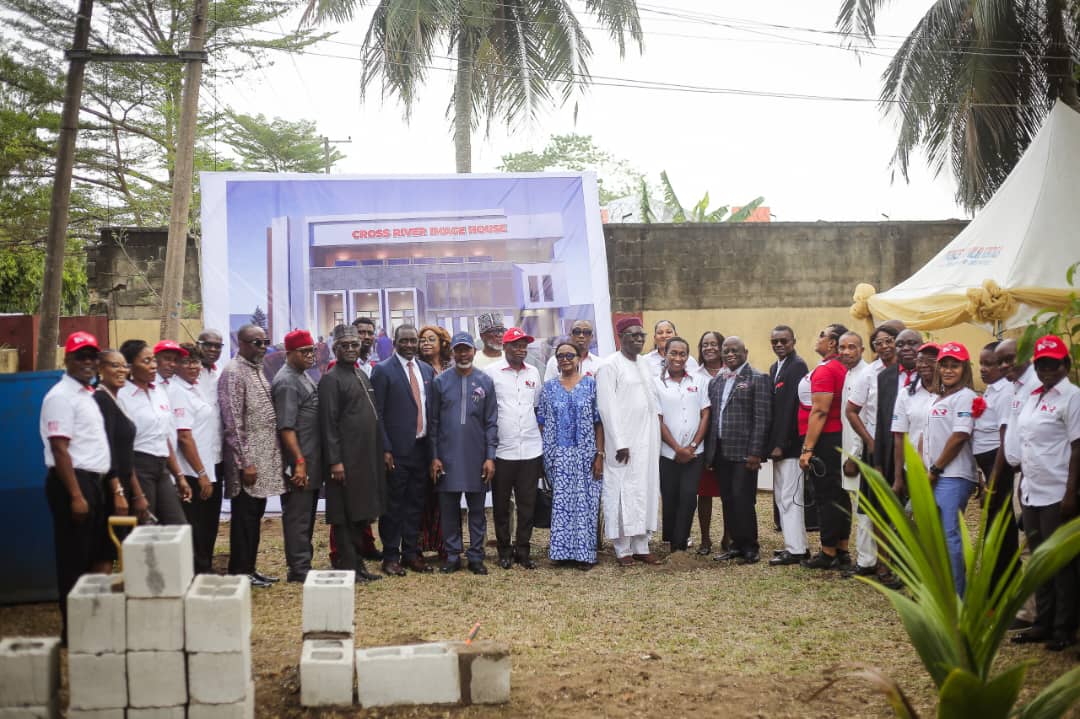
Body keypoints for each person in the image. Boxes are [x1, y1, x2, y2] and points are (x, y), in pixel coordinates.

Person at [40, 332, 113, 640]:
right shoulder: (60, 396)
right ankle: (74, 630)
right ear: (66, 359)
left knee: (97, 553)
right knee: (74, 559)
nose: (87, 362)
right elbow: (60, 449)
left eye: (91, 356)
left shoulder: (87, 393)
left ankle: (93, 621)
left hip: (93, 482)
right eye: (80, 356)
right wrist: (76, 495)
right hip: (73, 483)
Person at [1010, 335, 1080, 652]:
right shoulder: (1034, 395)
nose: (1047, 370)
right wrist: (1024, 488)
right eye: (1042, 364)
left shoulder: (1072, 397)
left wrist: (1070, 494)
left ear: (1066, 364)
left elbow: (1077, 448)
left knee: (1062, 564)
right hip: (1032, 491)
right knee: (1039, 560)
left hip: (1057, 491)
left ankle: (1064, 627)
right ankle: (1043, 621)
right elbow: (1027, 444)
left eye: (1054, 364)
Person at [319, 324, 387, 582]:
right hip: (345, 461)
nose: (350, 349)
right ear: (335, 349)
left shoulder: (360, 375)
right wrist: (335, 462)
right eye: (344, 346)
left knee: (361, 513)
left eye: (354, 345)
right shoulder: (331, 379)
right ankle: (347, 567)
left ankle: (358, 565)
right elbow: (328, 424)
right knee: (345, 516)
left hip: (365, 458)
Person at [219, 323, 284, 587]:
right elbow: (233, 422)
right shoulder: (234, 372)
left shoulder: (255, 369)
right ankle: (239, 571)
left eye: (265, 342)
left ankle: (250, 567)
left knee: (254, 517)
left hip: (261, 459)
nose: (262, 347)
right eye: (256, 342)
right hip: (247, 462)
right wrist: (245, 462)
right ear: (241, 343)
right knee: (244, 518)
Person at [429, 332, 499, 574]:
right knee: (449, 509)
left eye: (467, 349)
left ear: (474, 351)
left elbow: (491, 422)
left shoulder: (485, 382)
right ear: (453, 353)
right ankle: (452, 555)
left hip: (476, 457)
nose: (463, 354)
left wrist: (490, 456)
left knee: (477, 510)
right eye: (458, 350)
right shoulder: (441, 382)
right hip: (447, 457)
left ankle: (476, 556)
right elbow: (434, 422)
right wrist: (434, 456)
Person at [370, 324, 436, 576]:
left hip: (421, 449)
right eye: (404, 340)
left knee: (416, 503)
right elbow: (379, 414)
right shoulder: (383, 371)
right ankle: (390, 556)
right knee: (394, 505)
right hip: (396, 452)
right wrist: (385, 448)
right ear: (395, 342)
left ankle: (411, 553)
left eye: (413, 340)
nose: (409, 345)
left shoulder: (426, 369)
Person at [596, 318, 662, 566]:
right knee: (623, 490)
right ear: (620, 337)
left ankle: (641, 545)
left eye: (641, 335)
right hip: (622, 442)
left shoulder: (645, 364)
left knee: (645, 489)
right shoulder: (609, 366)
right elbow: (607, 406)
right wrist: (620, 441)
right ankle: (622, 549)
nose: (638, 339)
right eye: (632, 335)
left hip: (647, 439)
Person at [539, 340, 606, 569]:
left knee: (585, 504)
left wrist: (599, 454)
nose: (565, 360)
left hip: (586, 455)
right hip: (558, 455)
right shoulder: (548, 388)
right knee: (561, 504)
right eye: (561, 356)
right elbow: (543, 422)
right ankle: (561, 553)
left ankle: (584, 555)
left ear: (579, 359)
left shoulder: (590, 385)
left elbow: (599, 423)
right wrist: (547, 454)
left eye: (570, 355)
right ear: (556, 361)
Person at [920, 342, 979, 596]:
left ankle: (958, 596)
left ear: (964, 368)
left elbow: (959, 436)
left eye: (955, 365)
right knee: (937, 537)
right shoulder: (939, 397)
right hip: (935, 474)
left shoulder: (966, 396)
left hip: (953, 475)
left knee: (950, 536)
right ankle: (943, 590)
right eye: (944, 365)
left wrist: (935, 468)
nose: (948, 370)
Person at [706, 336, 771, 565]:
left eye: (735, 350)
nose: (730, 354)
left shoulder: (758, 378)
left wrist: (756, 452)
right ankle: (735, 544)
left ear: (746, 351)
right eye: (726, 351)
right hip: (721, 451)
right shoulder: (716, 381)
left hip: (745, 452)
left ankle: (750, 546)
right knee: (728, 499)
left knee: (743, 499)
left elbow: (762, 419)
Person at [485, 327, 544, 569]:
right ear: (505, 347)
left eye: (524, 345)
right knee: (501, 505)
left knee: (527, 503)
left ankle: (523, 550)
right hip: (503, 450)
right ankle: (504, 551)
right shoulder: (490, 373)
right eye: (516, 345)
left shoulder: (533, 373)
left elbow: (537, 407)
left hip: (530, 448)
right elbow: (486, 411)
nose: (521, 349)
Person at [844, 323, 898, 581]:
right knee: (874, 508)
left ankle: (899, 562)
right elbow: (851, 410)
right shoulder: (870, 374)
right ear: (873, 348)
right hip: (877, 448)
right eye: (879, 343)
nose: (885, 346)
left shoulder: (910, 371)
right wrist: (869, 442)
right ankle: (878, 563)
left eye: (890, 341)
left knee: (901, 507)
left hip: (903, 448)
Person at [118, 339, 191, 525]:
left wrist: (179, 476)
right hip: (138, 466)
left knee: (178, 525)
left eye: (153, 361)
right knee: (147, 529)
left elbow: (164, 436)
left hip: (162, 465)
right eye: (146, 361)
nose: (153, 366)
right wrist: (137, 494)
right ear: (130, 366)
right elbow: (122, 449)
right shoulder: (121, 396)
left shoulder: (158, 391)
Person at [797, 324, 852, 570]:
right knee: (839, 493)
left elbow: (820, 410)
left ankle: (828, 551)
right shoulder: (842, 368)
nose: (817, 338)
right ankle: (842, 547)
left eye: (822, 334)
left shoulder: (828, 370)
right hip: (839, 437)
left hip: (826, 439)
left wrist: (808, 448)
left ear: (832, 343)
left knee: (826, 495)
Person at [272, 329, 323, 583]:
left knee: (307, 516)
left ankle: (304, 562)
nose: (310, 355)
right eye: (304, 352)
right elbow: (286, 427)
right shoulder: (286, 382)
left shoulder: (301, 375)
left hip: (311, 459)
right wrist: (299, 463)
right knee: (297, 517)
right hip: (300, 461)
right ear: (289, 353)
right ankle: (298, 569)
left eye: (312, 350)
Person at [653, 336, 710, 552]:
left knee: (688, 497)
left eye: (682, 354)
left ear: (688, 356)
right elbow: (658, 419)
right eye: (673, 353)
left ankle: (680, 545)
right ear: (665, 354)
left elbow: (705, 414)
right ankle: (670, 540)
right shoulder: (656, 383)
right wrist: (677, 448)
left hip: (695, 453)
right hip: (668, 453)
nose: (678, 358)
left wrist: (693, 446)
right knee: (670, 497)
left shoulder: (698, 381)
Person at [169, 343, 222, 574]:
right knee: (195, 524)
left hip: (208, 465)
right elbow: (184, 436)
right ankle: (196, 572)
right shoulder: (177, 391)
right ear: (177, 365)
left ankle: (204, 567)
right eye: (186, 362)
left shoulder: (195, 387)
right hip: (191, 471)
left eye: (196, 362)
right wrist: (201, 473)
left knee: (207, 523)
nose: (192, 366)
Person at [972, 340, 1017, 586]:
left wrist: (993, 478)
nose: (983, 369)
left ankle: (1001, 582)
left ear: (1002, 366)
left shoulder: (1005, 392)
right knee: (995, 522)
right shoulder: (991, 390)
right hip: (987, 465)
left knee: (1000, 525)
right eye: (981, 364)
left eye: (989, 364)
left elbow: (1004, 439)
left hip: (998, 465)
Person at [765, 325, 810, 566]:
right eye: (775, 341)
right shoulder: (775, 367)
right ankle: (793, 544)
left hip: (791, 445)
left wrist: (782, 443)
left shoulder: (797, 366)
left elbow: (791, 409)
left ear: (794, 340)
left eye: (784, 341)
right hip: (778, 445)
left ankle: (797, 550)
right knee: (782, 496)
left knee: (791, 497)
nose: (779, 345)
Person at [93, 348, 148, 535]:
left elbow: (125, 452)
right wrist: (118, 492)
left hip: (123, 484)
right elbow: (107, 449)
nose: (122, 370)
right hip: (107, 488)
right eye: (115, 365)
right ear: (100, 369)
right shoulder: (101, 400)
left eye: (125, 366)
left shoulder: (117, 401)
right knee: (103, 555)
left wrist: (137, 493)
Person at [693, 331, 727, 555]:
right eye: (705, 344)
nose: (709, 348)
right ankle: (705, 539)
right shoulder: (694, 374)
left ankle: (728, 537)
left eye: (714, 344)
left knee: (728, 491)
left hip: (726, 441)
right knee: (704, 492)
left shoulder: (732, 372)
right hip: (703, 439)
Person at [891, 342, 940, 497]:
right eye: (920, 360)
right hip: (915, 470)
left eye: (931, 360)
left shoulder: (952, 394)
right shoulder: (906, 394)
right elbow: (899, 436)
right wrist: (898, 477)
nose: (924, 365)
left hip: (947, 471)